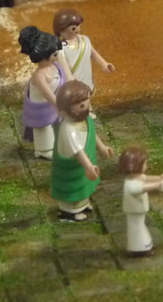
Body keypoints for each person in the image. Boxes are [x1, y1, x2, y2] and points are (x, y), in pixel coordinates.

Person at [51, 81, 114, 222]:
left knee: (83, 186)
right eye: (81, 106)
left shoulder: (85, 120)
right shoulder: (69, 130)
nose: (87, 108)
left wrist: (102, 147)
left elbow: (92, 134)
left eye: (88, 103)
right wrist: (88, 166)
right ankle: (69, 212)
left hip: (84, 165)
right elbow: (78, 151)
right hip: (74, 167)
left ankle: (83, 205)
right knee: (73, 189)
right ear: (65, 109)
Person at [19, 26, 73, 160]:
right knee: (44, 129)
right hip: (41, 108)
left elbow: (66, 78)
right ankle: (43, 150)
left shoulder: (56, 67)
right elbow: (48, 94)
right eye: (54, 54)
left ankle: (57, 144)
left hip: (54, 105)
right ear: (43, 56)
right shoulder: (39, 76)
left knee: (57, 126)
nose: (58, 55)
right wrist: (59, 106)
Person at [120, 146, 163, 255]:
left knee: (140, 226)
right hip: (134, 211)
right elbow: (144, 187)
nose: (146, 166)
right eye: (145, 163)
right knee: (137, 228)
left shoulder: (136, 177)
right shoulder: (131, 184)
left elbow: (146, 178)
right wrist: (158, 185)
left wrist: (160, 177)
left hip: (137, 210)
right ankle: (139, 248)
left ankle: (143, 245)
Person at [53, 8, 114, 91]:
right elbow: (64, 67)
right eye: (73, 28)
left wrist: (104, 64)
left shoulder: (85, 40)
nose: (78, 30)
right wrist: (70, 79)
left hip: (87, 79)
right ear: (61, 30)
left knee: (87, 93)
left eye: (79, 26)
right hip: (73, 84)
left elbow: (93, 53)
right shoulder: (60, 48)